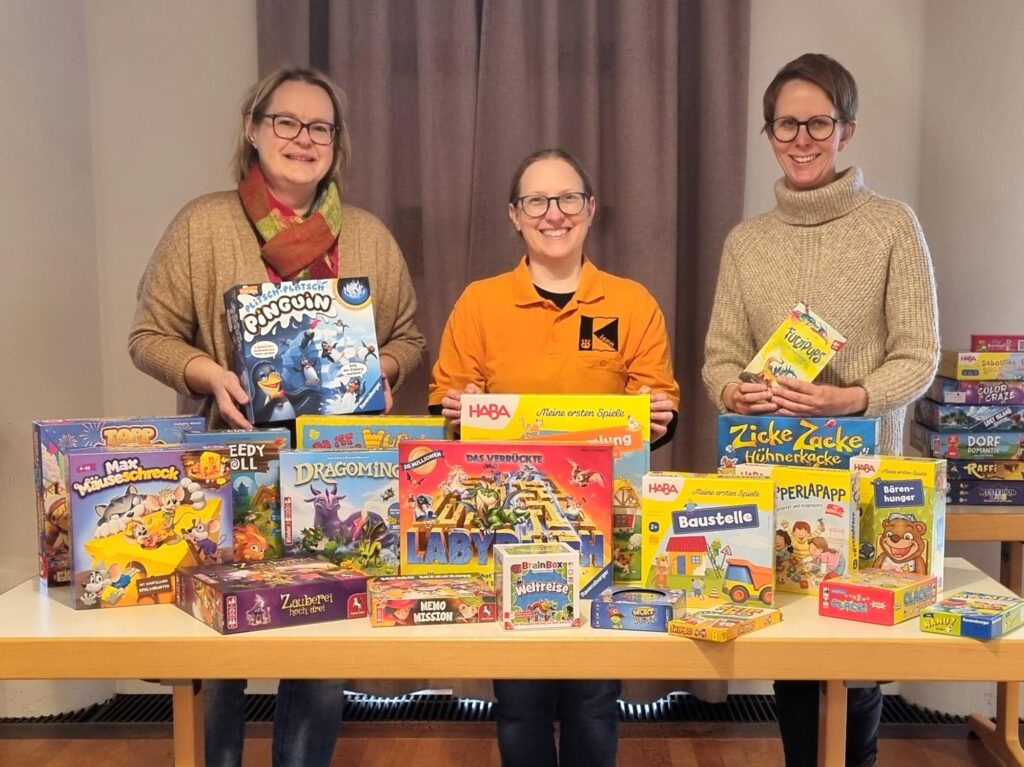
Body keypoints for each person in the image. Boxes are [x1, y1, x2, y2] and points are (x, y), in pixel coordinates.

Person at [129, 66, 426, 767]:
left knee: (320, 651)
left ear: (336, 143)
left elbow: (409, 334)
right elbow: (149, 335)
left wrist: (381, 367)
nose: (303, 138)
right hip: (229, 466)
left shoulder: (371, 238)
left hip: (338, 471)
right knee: (222, 652)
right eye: (285, 122)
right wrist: (208, 373)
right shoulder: (203, 225)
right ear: (253, 130)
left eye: (319, 126)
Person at [702, 53, 939, 767]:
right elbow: (719, 355)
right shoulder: (746, 242)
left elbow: (920, 355)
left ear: (847, 130)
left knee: (857, 666)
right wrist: (731, 390)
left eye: (818, 123)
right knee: (793, 660)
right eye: (786, 125)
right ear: (768, 132)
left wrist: (853, 397)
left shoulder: (894, 226)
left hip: (868, 487)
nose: (801, 139)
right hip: (775, 488)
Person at [429, 148, 680, 767]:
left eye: (568, 198)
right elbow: (446, 406)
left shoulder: (631, 302)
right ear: (515, 216)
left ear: (590, 210)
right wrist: (459, 412)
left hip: (607, 530)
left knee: (595, 696)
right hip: (507, 531)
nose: (553, 214)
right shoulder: (479, 303)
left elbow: (659, 409)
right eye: (536, 201)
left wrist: (656, 418)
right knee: (519, 697)